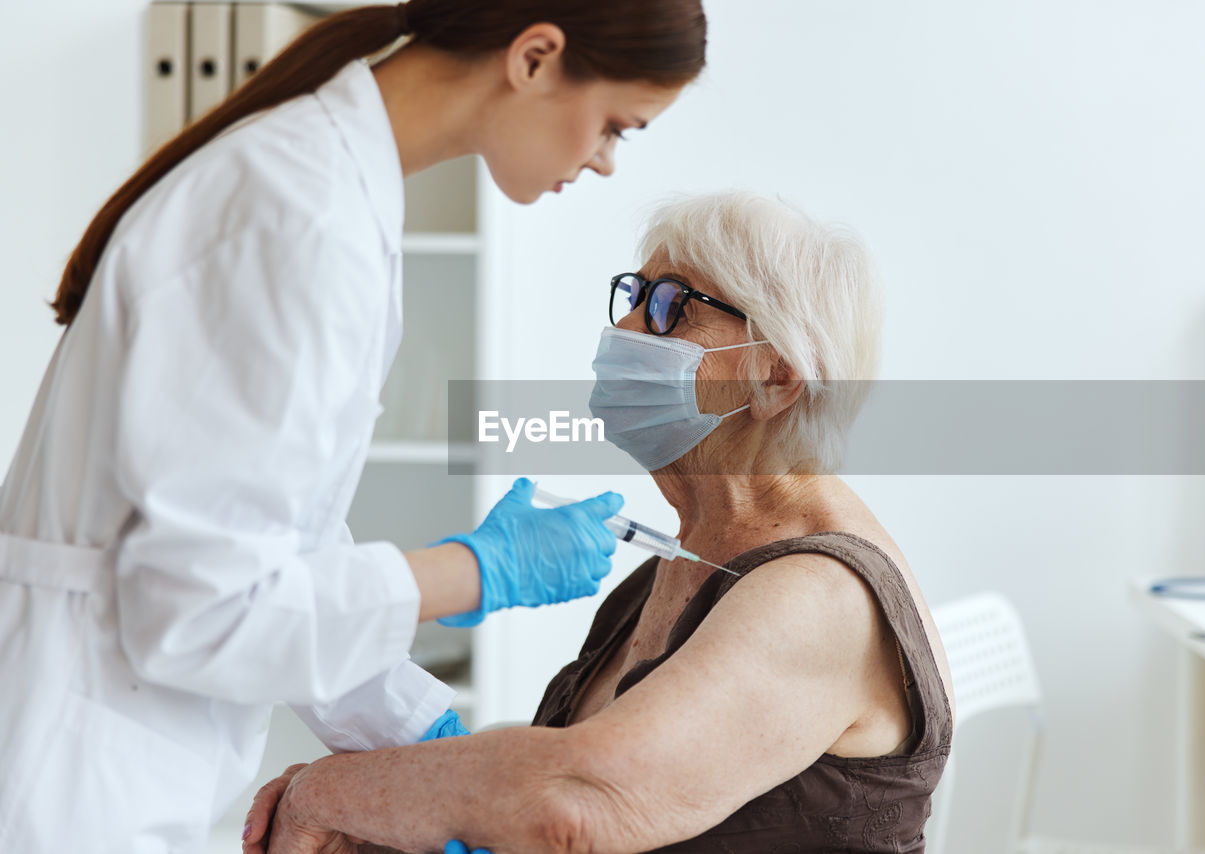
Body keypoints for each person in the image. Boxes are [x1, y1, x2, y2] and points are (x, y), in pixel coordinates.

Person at [0, 2, 706, 850]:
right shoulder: (299, 213)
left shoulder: (330, 191)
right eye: (614, 126)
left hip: (107, 756)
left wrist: (415, 731)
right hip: (73, 784)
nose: (604, 163)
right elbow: (204, 601)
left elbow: (277, 536)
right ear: (535, 58)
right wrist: (475, 573)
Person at [243, 192, 955, 854]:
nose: (626, 329)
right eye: (634, 294)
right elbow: (565, 763)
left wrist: (331, 795)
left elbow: (579, 801)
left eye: (673, 307)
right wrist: (405, 811)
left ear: (776, 379)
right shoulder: (681, 561)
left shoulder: (819, 595)